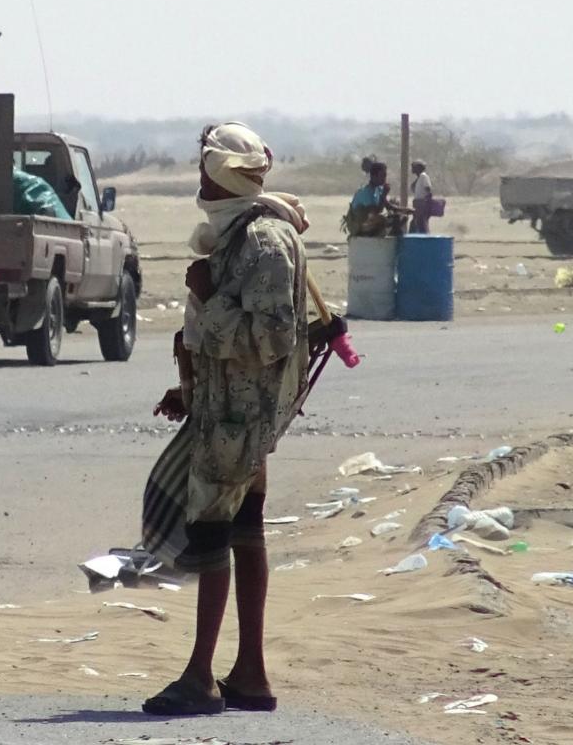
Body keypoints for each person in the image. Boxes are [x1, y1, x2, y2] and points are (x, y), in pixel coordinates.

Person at [141, 122, 309, 716]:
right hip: (230, 408)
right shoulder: (240, 234)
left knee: (213, 529)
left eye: (203, 170)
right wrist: (189, 388)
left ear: (219, 176)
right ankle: (249, 675)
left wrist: (207, 300)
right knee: (244, 528)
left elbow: (273, 337)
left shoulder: (262, 241)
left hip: (242, 417)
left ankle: (200, 677)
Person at [345, 161, 405, 237]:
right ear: (373, 176)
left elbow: (389, 206)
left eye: (385, 176)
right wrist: (384, 194)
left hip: (369, 222)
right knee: (381, 219)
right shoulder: (366, 192)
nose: (384, 179)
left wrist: (407, 210)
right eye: (382, 176)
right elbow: (376, 211)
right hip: (358, 225)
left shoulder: (378, 189)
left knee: (398, 217)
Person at [409, 160, 433, 234]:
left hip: (422, 203)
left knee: (421, 224)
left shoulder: (423, 176)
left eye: (414, 167)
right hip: (418, 203)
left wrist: (426, 203)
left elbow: (428, 189)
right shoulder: (419, 177)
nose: (412, 169)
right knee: (417, 224)